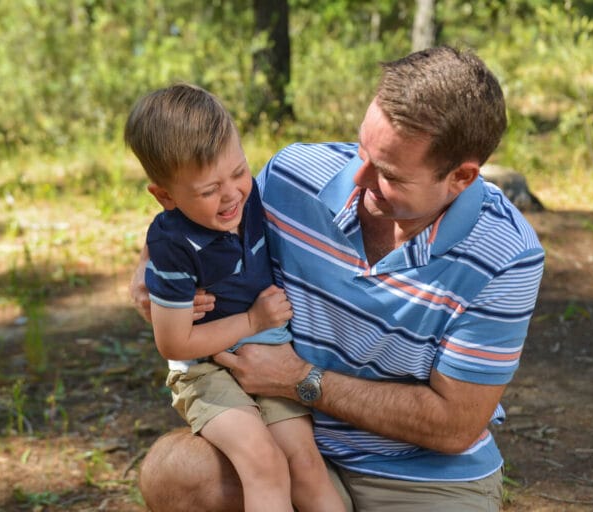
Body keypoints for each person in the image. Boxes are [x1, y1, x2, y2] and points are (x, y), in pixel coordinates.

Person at [131, 46, 545, 512]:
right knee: (175, 476)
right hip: (289, 440)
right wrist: (148, 269)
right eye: (362, 148)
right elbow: (199, 209)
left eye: (387, 173)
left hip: (421, 477)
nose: (357, 176)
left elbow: (453, 425)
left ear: (460, 177)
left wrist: (298, 380)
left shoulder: (506, 254)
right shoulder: (293, 177)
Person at [124, 83, 345, 512]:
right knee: (263, 462)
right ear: (165, 196)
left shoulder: (251, 194)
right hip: (207, 369)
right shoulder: (172, 245)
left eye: (239, 172)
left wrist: (261, 330)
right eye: (209, 191)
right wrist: (252, 322)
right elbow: (173, 343)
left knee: (304, 463)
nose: (231, 196)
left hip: (272, 353)